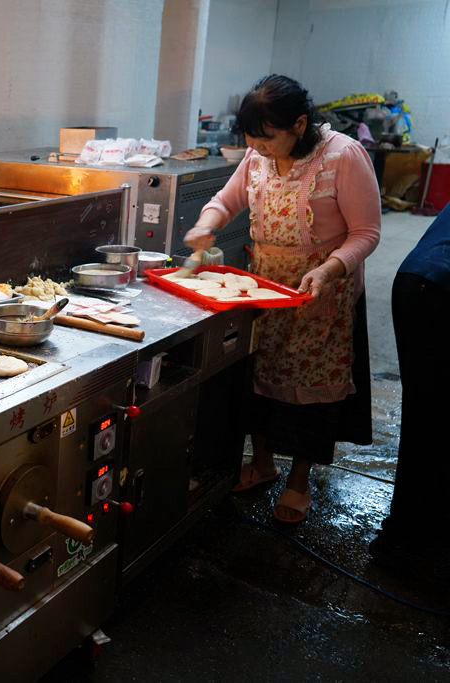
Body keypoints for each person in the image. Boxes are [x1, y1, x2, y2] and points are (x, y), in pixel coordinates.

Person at [185, 75, 381, 523]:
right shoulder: (258, 155)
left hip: (322, 292)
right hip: (267, 286)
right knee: (260, 377)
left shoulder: (343, 156)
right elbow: (226, 199)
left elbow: (366, 233)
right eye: (251, 139)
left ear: (299, 124)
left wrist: (329, 269)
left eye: (266, 137)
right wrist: (207, 222)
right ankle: (264, 462)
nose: (258, 147)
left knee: (310, 391)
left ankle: (299, 480)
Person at [369, 204, 450, 581]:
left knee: (425, 419)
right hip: (437, 290)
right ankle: (410, 546)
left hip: (417, 280)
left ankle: (405, 539)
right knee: (432, 420)